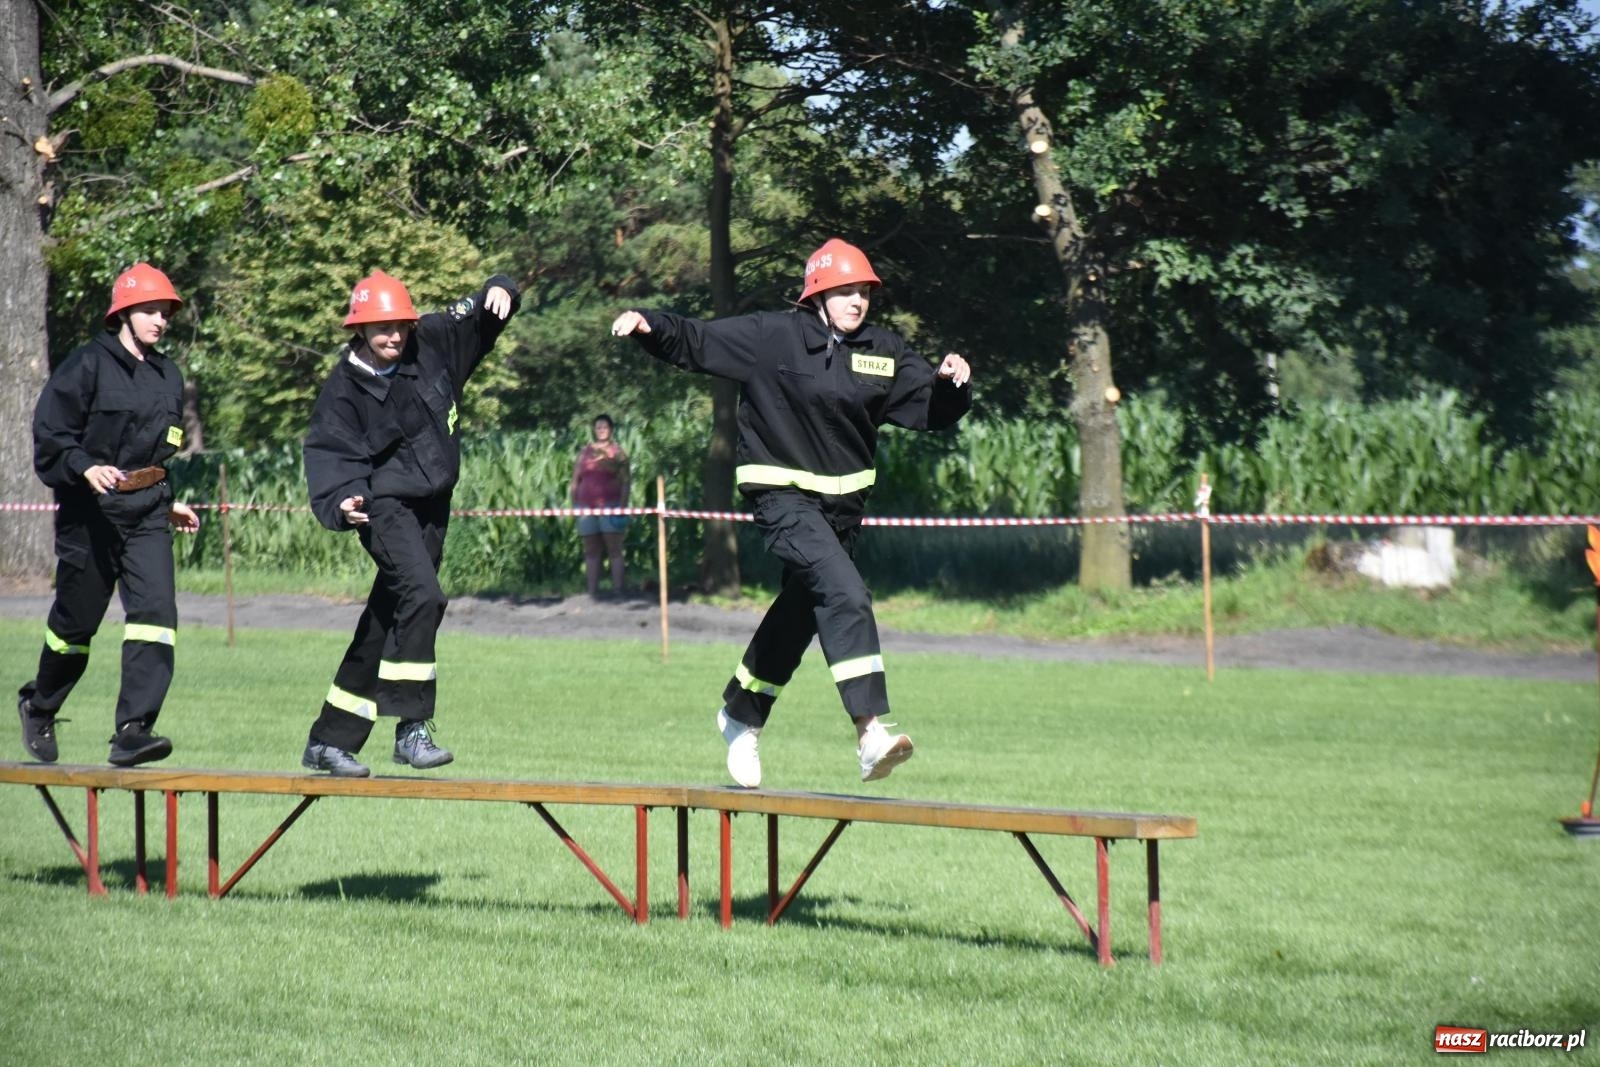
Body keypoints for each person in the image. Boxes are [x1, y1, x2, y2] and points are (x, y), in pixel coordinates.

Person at [609, 237, 972, 787]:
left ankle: (740, 714)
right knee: (847, 595)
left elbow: (931, 409)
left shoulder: (883, 351)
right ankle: (870, 733)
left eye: (864, 291)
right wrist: (649, 324)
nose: (858, 300)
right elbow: (698, 340)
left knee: (799, 615)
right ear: (817, 294)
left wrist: (950, 384)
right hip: (781, 500)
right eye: (845, 291)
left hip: (842, 516)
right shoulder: (771, 337)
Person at [299, 269, 520, 778]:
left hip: (434, 506)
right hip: (382, 507)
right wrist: (342, 504)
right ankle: (410, 728)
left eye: (400, 325)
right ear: (359, 329)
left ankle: (328, 741)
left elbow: (482, 312)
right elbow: (330, 456)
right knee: (423, 596)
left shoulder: (432, 342)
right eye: (382, 328)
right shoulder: (342, 391)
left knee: (387, 619)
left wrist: (501, 288)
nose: (394, 336)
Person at [16, 263, 202, 767]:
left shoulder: (168, 375)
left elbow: (158, 451)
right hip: (90, 514)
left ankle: (133, 730)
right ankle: (40, 705)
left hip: (146, 513)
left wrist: (167, 499)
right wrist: (84, 466)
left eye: (165, 313)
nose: (159, 320)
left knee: (156, 616)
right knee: (75, 626)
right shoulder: (86, 366)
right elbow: (51, 434)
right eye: (149, 310)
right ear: (123, 313)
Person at [568, 413, 631, 598]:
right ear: (594, 430)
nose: (601, 430)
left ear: (611, 429)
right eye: (598, 427)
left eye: (605, 427)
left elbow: (626, 482)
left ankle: (618, 590)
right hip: (585, 507)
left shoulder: (618, 453)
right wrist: (574, 503)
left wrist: (622, 506)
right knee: (591, 550)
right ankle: (593, 592)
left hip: (610, 505)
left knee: (614, 549)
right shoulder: (584, 452)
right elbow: (575, 480)